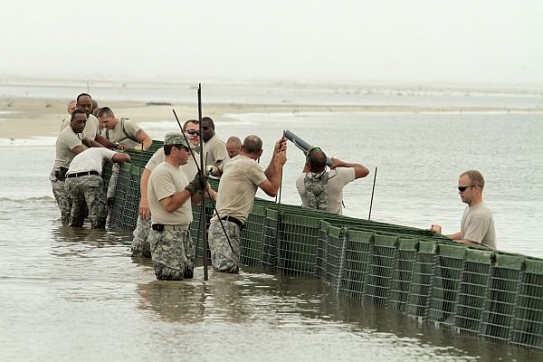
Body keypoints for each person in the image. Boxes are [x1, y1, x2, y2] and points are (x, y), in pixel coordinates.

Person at [131, 121, 215, 258]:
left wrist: (204, 189)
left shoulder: (199, 161)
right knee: (140, 248)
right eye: (191, 132)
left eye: (198, 133)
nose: (195, 136)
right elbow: (147, 174)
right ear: (182, 133)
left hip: (178, 217)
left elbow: (193, 195)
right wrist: (145, 199)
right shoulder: (164, 153)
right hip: (156, 208)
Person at [208, 135, 287, 273]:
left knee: (224, 274)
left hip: (219, 225)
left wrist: (275, 154)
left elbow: (263, 176)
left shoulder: (233, 162)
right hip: (227, 226)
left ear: (242, 148)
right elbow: (273, 190)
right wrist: (279, 164)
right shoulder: (250, 166)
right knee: (227, 275)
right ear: (260, 152)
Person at [146, 132, 208, 280]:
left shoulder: (179, 171)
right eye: (186, 149)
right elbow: (169, 204)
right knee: (170, 286)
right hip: (167, 236)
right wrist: (192, 187)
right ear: (174, 149)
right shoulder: (163, 172)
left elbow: (191, 201)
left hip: (183, 234)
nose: (189, 153)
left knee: (185, 284)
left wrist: (200, 188)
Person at [50, 109, 103, 224]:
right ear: (71, 122)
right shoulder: (68, 134)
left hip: (71, 177)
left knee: (78, 214)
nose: (82, 125)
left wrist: (108, 149)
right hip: (60, 178)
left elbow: (90, 142)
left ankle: (75, 239)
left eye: (84, 122)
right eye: (79, 122)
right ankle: (66, 238)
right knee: (68, 214)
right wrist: (107, 155)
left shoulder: (78, 132)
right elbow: (85, 152)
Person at [64, 147, 130, 228]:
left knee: (76, 214)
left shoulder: (82, 154)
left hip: (69, 180)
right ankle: (97, 237)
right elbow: (123, 158)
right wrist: (126, 154)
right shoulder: (101, 150)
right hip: (90, 178)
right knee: (98, 214)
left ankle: (73, 236)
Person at [430, 170, 497, 249]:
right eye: (459, 188)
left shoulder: (480, 214)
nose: (459, 192)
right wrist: (441, 237)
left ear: (475, 189)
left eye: (462, 188)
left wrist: (440, 241)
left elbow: (469, 244)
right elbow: (466, 235)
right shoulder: (470, 209)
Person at [296, 147, 369, 214]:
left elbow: (306, 172)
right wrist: (342, 163)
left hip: (311, 225)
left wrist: (308, 158)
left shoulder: (300, 180)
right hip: (335, 224)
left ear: (308, 165)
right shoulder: (338, 175)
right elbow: (364, 170)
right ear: (325, 164)